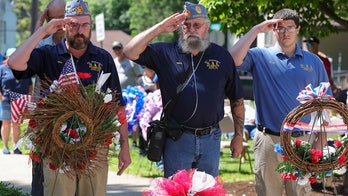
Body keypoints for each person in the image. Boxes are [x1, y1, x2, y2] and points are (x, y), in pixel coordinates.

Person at [8, 0, 131, 195]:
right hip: (57, 145)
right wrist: (43, 32)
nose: (79, 30)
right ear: (64, 26)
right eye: (73, 25)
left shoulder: (103, 58)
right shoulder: (47, 54)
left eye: (84, 25)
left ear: (90, 25)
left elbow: (118, 107)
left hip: (95, 147)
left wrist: (125, 147)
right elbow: (14, 63)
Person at [124, 1, 245, 178]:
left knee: (207, 190)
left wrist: (238, 136)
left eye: (197, 25)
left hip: (211, 139)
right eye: (186, 25)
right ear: (181, 28)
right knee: (175, 190)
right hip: (177, 139)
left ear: (207, 26)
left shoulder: (221, 56)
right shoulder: (166, 52)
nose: (192, 29)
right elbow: (130, 52)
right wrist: (159, 28)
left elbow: (237, 99)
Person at [230, 8, 331, 196]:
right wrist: (256, 30)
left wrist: (320, 142)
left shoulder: (314, 62)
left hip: (303, 141)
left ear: (298, 29)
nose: (285, 32)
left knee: (299, 193)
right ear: (273, 30)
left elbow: (325, 104)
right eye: (280, 28)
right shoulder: (260, 55)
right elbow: (233, 59)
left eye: (290, 28)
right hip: (268, 139)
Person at [30, 1, 67, 195]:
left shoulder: (75, 42)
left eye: (62, 16)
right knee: (40, 173)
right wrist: (40, 26)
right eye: (53, 18)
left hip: (71, 118)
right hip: (43, 118)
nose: (59, 22)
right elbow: (26, 55)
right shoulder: (43, 43)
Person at [0, 48, 33, 154]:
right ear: (7, 57)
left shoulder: (24, 68)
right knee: (6, 123)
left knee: (16, 124)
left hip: (20, 101)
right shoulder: (2, 68)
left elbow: (30, 84)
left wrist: (28, 97)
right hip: (6, 99)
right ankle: (5, 147)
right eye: (11, 56)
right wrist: (1, 97)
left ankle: (16, 146)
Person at [112, 41, 143, 147]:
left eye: (118, 48)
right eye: (115, 49)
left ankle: (134, 141)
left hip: (131, 95)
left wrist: (139, 90)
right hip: (118, 94)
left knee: (132, 117)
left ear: (122, 49)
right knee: (118, 118)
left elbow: (139, 75)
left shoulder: (131, 62)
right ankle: (119, 141)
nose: (117, 51)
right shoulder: (114, 62)